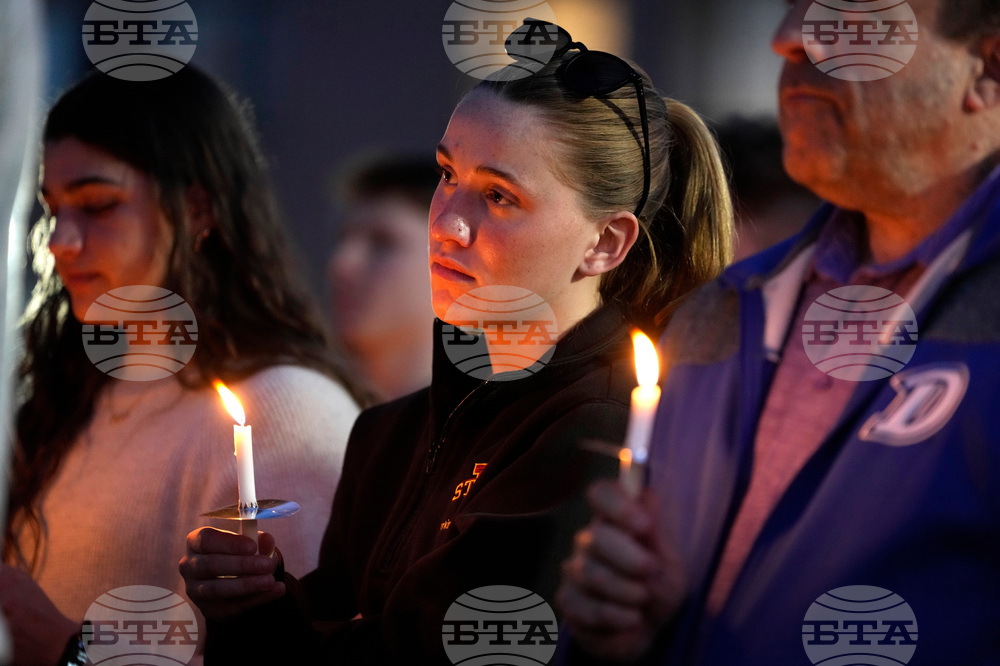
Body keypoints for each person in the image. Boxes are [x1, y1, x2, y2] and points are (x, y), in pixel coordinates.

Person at [180, 21, 734, 664]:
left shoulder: (603, 439)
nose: (445, 224)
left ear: (606, 243)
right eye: (448, 174)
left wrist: (267, 623)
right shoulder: (388, 433)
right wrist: (250, 600)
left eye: (499, 196)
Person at [558, 0, 1000, 663]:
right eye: (793, 6)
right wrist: (632, 634)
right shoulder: (720, 315)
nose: (788, 39)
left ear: (987, 69)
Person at [0, 67, 365, 665]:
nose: (61, 240)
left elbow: (290, 658)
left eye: (97, 205)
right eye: (53, 209)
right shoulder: (69, 397)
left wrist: (71, 651)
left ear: (197, 208)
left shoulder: (284, 411)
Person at [327, 156, 439, 402]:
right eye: (342, 239)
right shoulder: (310, 409)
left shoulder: (495, 429)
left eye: (382, 242)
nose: (342, 264)